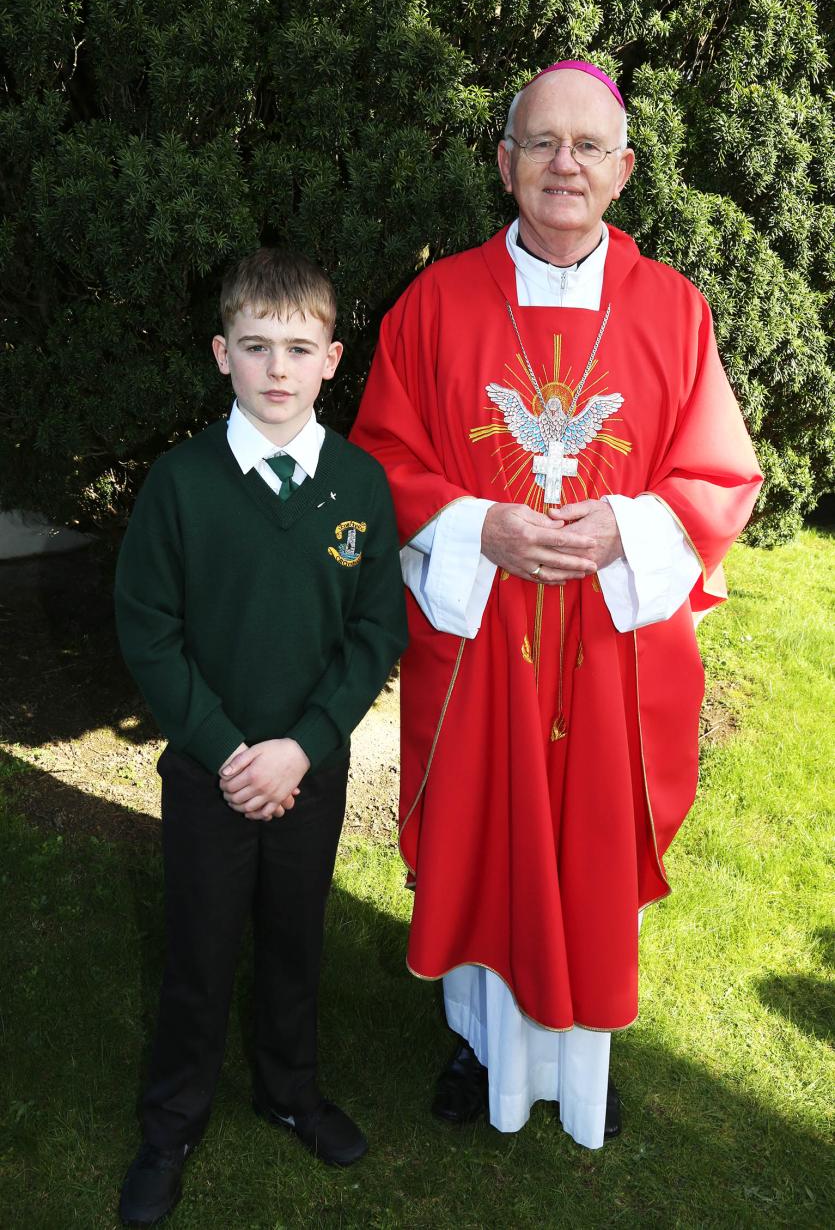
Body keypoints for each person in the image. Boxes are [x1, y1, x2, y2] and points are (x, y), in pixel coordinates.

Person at [351, 61, 762, 1150]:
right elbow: (381, 458)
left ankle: (581, 1054)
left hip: (607, 645)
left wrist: (625, 529)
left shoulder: (673, 310)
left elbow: (717, 476)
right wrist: (478, 526)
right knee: (486, 833)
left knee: (581, 846)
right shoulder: (434, 302)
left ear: (623, 171)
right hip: (485, 634)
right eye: (541, 143)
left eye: (587, 147)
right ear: (505, 163)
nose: (563, 165)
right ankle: (481, 1043)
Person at [114, 248, 407, 1224]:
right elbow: (148, 626)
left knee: (294, 939)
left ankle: (289, 1088)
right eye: (254, 347)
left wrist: (306, 742)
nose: (276, 368)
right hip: (210, 772)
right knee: (199, 947)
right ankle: (173, 1116)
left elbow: (376, 630)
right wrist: (225, 746)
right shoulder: (181, 483)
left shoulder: (360, 485)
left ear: (331, 359)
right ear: (221, 355)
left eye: (297, 347)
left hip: (310, 771)